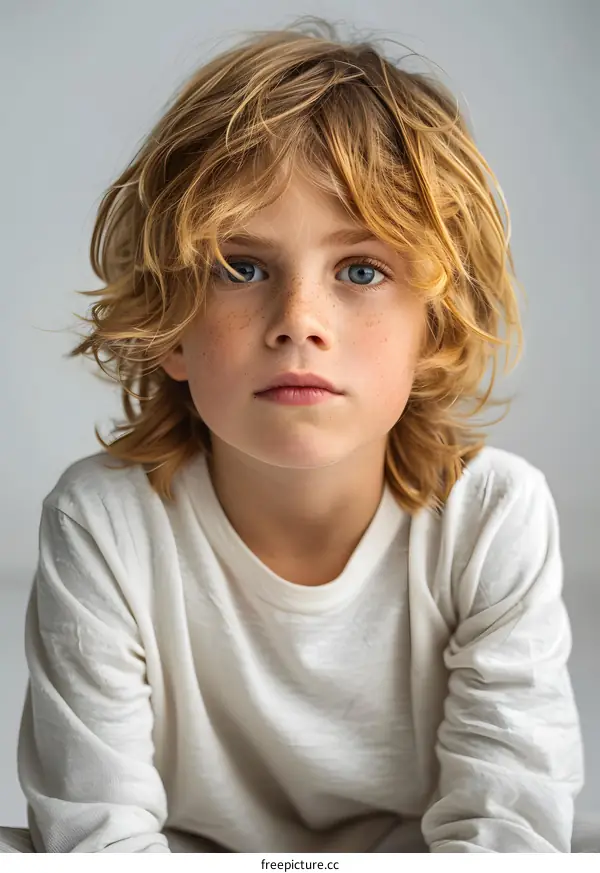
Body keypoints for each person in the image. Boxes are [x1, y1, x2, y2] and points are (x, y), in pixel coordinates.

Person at [0, 17, 589, 854]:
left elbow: (505, 833)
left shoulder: (495, 518)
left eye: (361, 270)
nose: (299, 322)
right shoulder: (103, 524)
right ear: (168, 323)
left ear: (436, 326)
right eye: (241, 267)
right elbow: (98, 837)